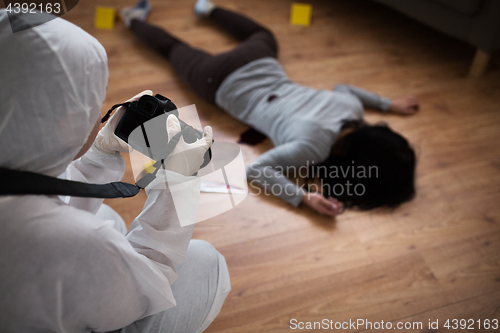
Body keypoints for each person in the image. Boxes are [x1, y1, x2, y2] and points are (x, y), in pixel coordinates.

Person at [0, 9, 230, 333]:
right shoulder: (76, 242)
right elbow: (150, 280)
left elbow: (40, 200)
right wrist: (177, 182)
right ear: (65, 119)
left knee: (107, 220)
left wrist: (96, 159)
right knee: (205, 262)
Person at [121, 0, 419, 217]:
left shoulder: (352, 108)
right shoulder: (313, 149)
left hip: (259, 59)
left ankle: (208, 8)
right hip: (217, 80)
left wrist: (387, 103)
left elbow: (345, 87)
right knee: (172, 48)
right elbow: (257, 170)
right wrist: (302, 197)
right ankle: (132, 18)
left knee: (262, 34)